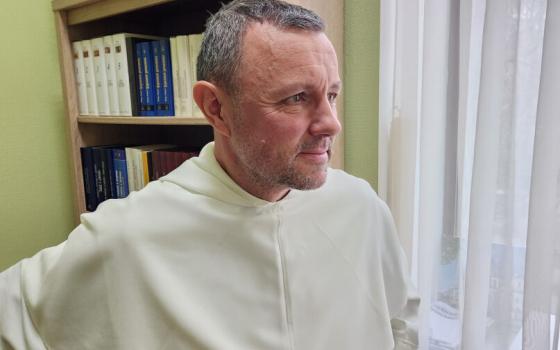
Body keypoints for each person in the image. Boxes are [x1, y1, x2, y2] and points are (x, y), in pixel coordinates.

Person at [0, 0, 419, 349]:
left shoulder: (360, 205)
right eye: (297, 98)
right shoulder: (129, 233)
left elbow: (401, 321)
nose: (331, 123)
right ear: (216, 108)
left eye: (331, 95)